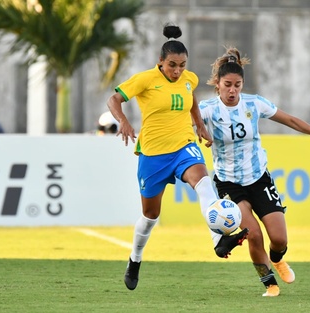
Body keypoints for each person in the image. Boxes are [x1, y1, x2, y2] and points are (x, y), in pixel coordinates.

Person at [106, 25, 249, 291]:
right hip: (153, 154)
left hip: (184, 145)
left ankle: (218, 241)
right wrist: (123, 121)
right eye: (172, 65)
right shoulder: (145, 79)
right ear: (160, 62)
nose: (177, 70)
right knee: (150, 216)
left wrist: (200, 125)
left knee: (205, 184)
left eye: (182, 65)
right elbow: (114, 100)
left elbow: (190, 98)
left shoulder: (189, 79)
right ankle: (135, 259)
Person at [198, 47, 310, 297]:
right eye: (227, 85)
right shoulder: (207, 109)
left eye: (237, 85)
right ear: (217, 84)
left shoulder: (254, 103)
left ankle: (277, 259)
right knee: (253, 234)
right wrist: (195, 131)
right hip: (229, 184)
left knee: (279, 239)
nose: (232, 90)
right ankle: (270, 284)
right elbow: (183, 126)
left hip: (258, 178)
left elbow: (290, 120)